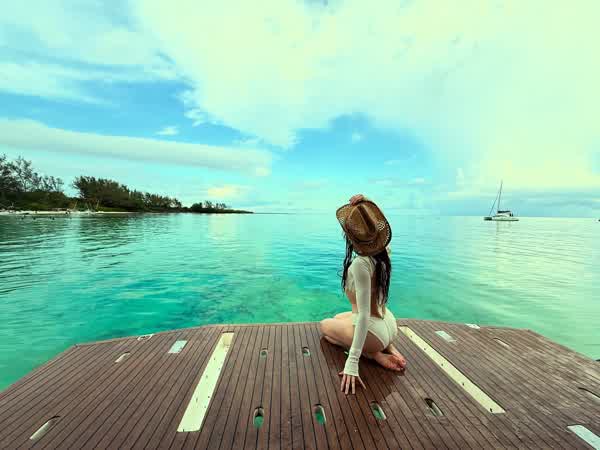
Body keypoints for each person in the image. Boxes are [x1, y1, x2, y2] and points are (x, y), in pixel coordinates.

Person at [320, 193, 407, 395]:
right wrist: (368, 203)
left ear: (350, 235)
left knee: (325, 326)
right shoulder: (384, 252)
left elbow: (364, 316)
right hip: (389, 322)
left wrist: (352, 362)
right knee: (339, 317)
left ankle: (374, 354)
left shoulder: (361, 264)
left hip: (374, 333)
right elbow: (381, 225)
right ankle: (388, 346)